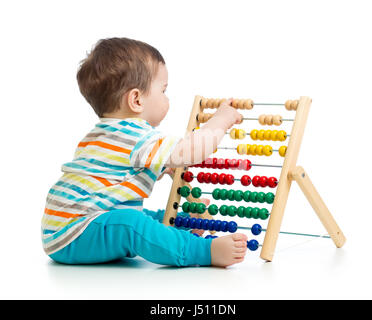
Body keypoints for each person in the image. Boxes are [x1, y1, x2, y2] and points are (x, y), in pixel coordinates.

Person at [42, 37, 247, 268]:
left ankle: (182, 224)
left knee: (147, 218)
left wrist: (161, 168)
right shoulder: (136, 135)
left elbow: (119, 176)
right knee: (132, 224)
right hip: (76, 232)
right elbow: (192, 151)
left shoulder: (102, 134)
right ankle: (202, 251)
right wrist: (221, 120)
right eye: (163, 90)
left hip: (63, 228)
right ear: (136, 99)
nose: (167, 98)